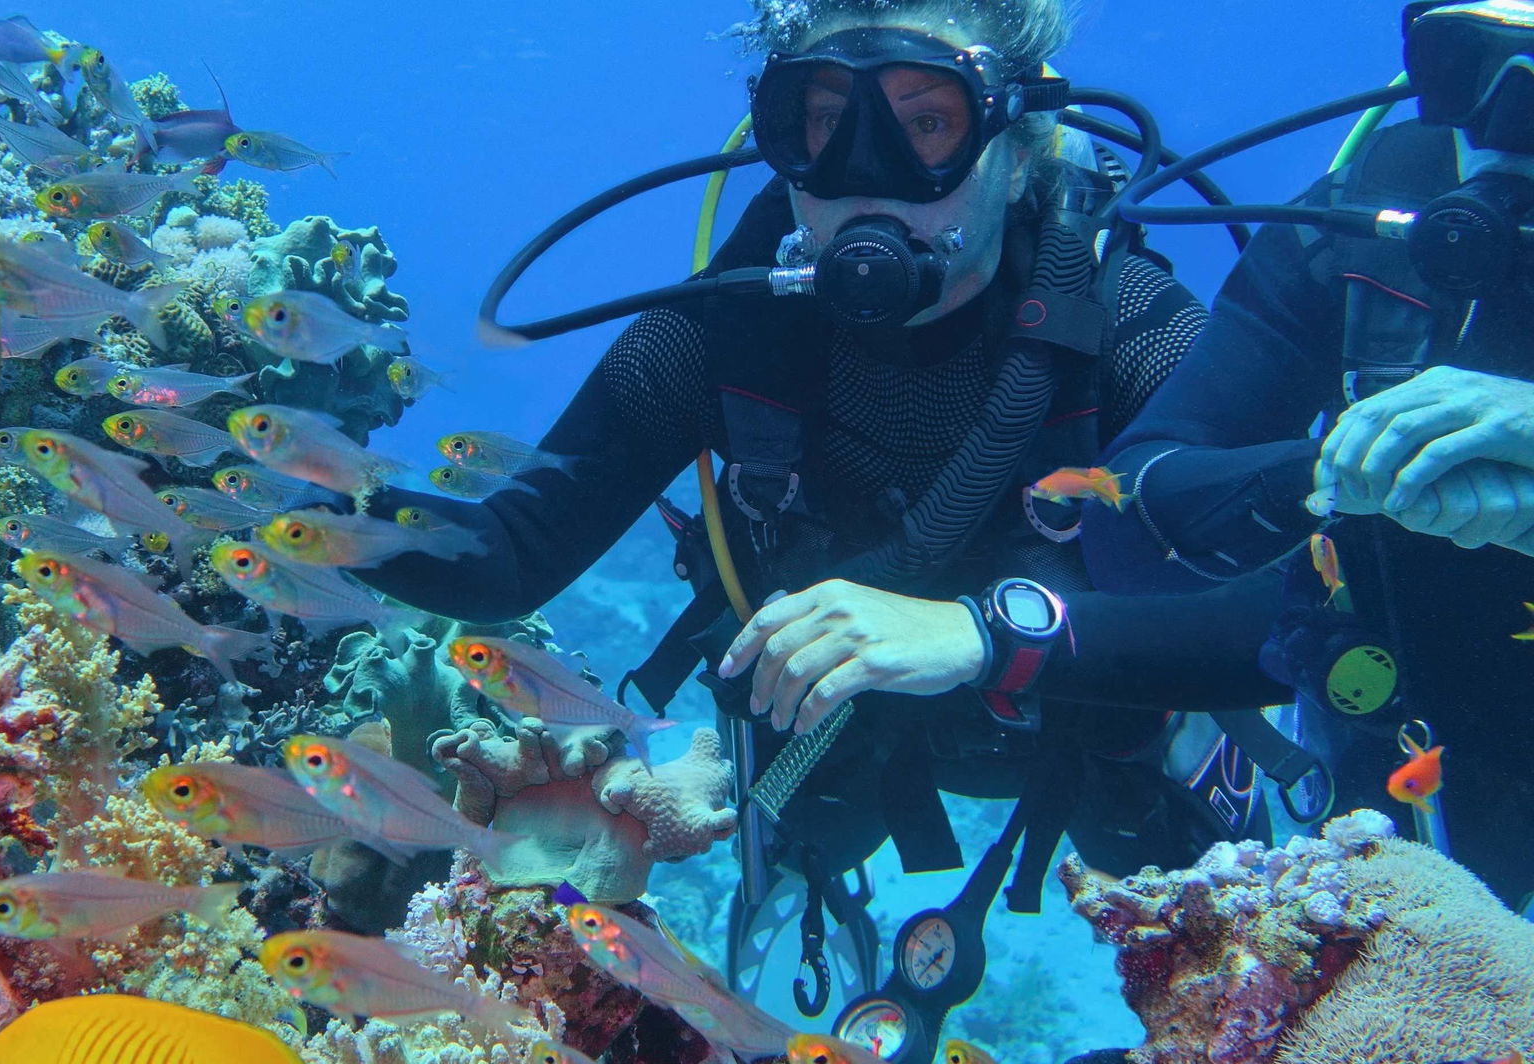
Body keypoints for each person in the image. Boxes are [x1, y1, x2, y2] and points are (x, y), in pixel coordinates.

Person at [358, 0, 1276, 1021]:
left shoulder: (1129, 327)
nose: (864, 177)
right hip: (831, 730)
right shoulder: (726, 330)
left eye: (926, 125)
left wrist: (982, 634)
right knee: (796, 842)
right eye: (824, 123)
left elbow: (1288, 610)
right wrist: (267, 498)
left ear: (1019, 149)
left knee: (1216, 926)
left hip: (1093, 713)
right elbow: (507, 551)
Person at [1078, 107, 1534, 911]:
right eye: (1463, 64)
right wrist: (1330, 470)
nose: (1511, 121)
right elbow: (1127, 528)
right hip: (1415, 766)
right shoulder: (1363, 223)